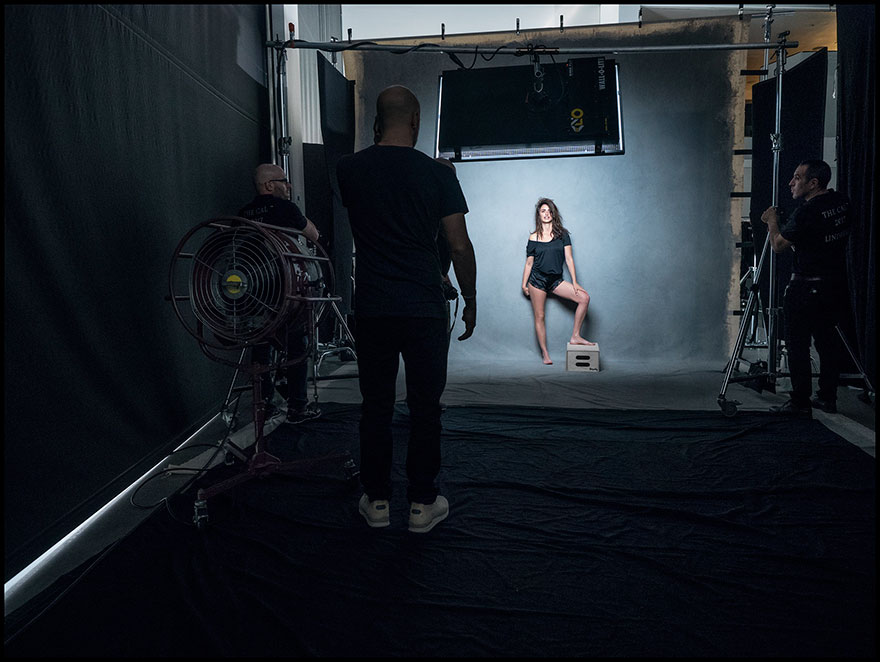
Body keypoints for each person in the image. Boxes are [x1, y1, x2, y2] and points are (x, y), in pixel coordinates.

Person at [336, 85, 477, 533]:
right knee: (425, 408)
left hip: (374, 307)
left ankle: (376, 502)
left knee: (375, 407)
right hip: (423, 308)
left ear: (378, 120)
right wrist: (471, 299)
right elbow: (457, 244)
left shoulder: (348, 170)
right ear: (416, 119)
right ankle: (421, 504)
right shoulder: (438, 175)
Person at [760, 159, 852, 416]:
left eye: (797, 178)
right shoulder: (842, 203)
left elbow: (778, 245)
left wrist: (771, 220)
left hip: (804, 288)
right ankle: (827, 397)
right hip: (833, 286)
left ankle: (800, 402)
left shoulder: (807, 212)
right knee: (827, 343)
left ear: (813, 183)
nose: (791, 183)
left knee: (797, 344)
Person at [238, 163, 322, 424]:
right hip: (286, 289)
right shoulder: (285, 209)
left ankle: (265, 405)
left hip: (253, 291)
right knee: (297, 344)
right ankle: (297, 408)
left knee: (260, 344)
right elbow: (313, 234)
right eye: (284, 181)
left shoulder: (243, 213)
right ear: (268, 185)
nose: (289, 186)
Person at [521, 198, 595, 365]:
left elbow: (569, 259)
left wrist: (575, 282)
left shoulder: (563, 235)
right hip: (537, 280)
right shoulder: (533, 237)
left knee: (584, 298)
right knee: (539, 316)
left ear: (553, 214)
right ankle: (545, 354)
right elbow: (529, 263)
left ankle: (575, 336)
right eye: (543, 211)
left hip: (556, 280)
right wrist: (524, 283)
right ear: (538, 215)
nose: (546, 214)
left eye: (549, 211)